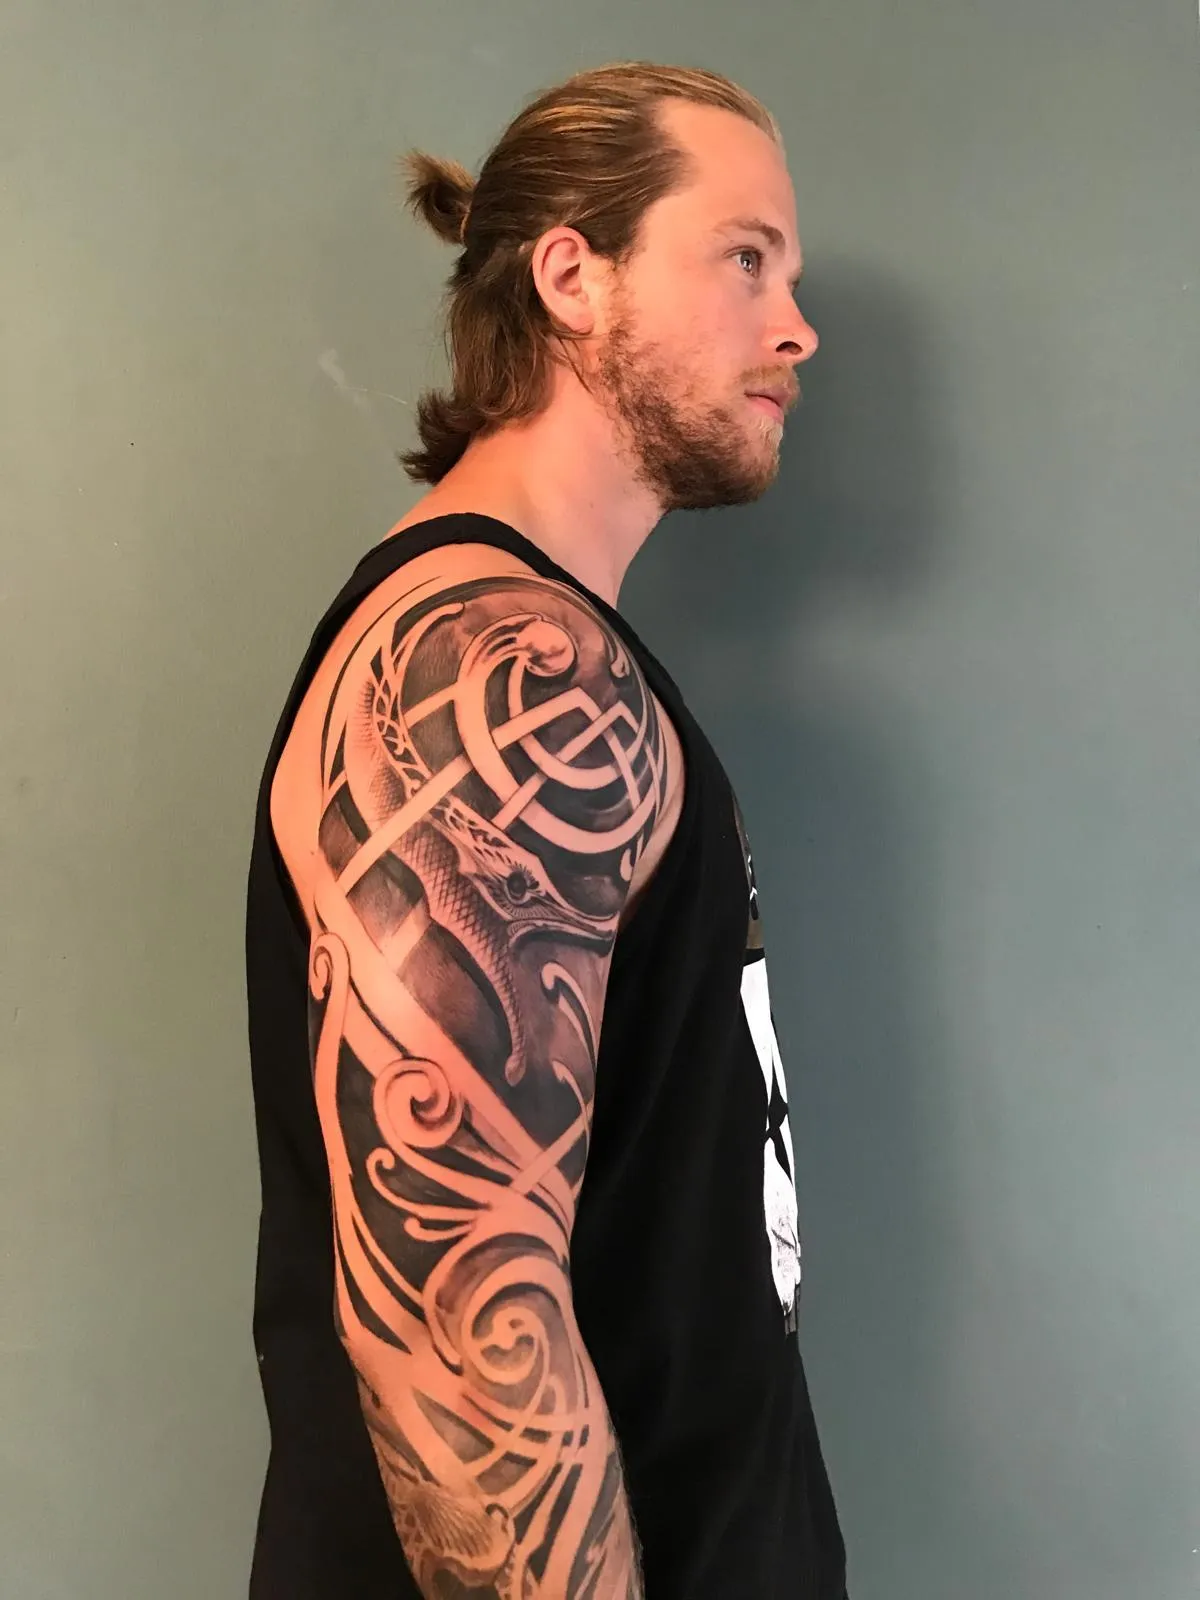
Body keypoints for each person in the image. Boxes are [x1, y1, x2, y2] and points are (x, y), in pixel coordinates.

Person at [245, 60, 845, 1599]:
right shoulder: (485, 666)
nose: (796, 328)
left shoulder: (550, 653)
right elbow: (461, 1344)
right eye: (746, 258)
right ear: (573, 276)